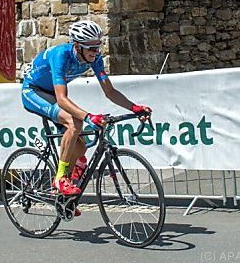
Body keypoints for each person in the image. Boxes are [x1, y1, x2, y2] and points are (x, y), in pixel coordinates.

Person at [21, 20, 152, 197]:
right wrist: (89, 117)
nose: (96, 52)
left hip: (51, 93)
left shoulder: (95, 59)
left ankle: (62, 196)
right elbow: (61, 99)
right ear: (77, 46)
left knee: (80, 148)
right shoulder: (61, 56)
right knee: (75, 122)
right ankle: (60, 178)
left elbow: (110, 91)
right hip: (34, 91)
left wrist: (134, 107)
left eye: (98, 47)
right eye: (91, 48)